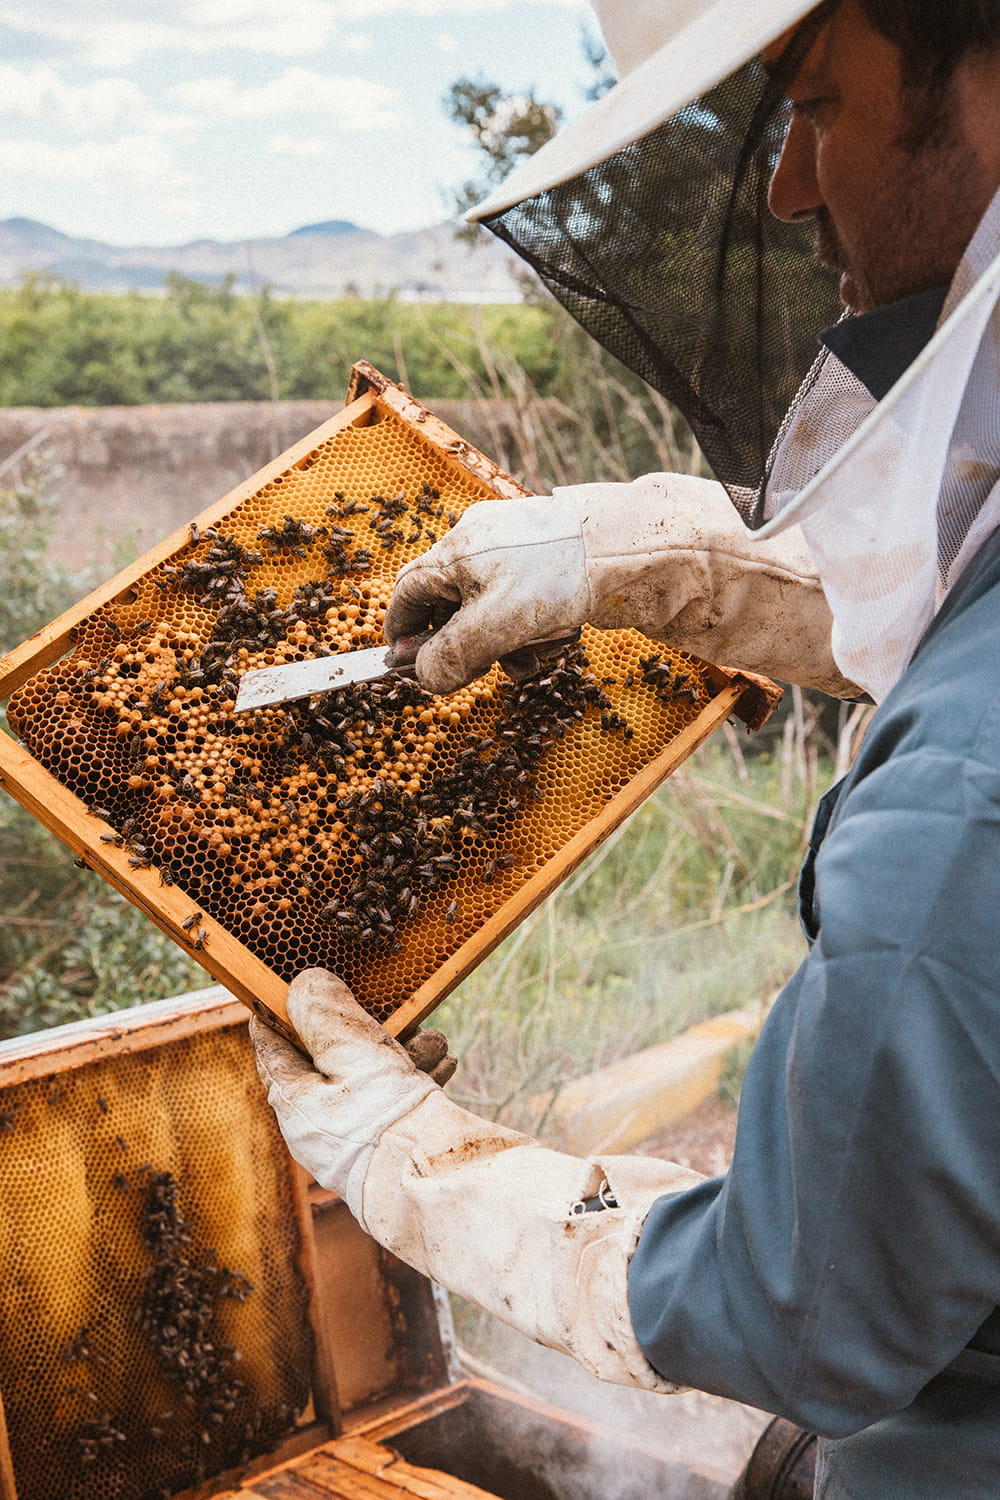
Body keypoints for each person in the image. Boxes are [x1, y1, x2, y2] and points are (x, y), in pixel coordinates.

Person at [251, 2, 1000, 1495]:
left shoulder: (958, 810)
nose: (786, 186)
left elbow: (798, 1303)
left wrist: (419, 1162)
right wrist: (654, 558)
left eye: (816, 104)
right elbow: (952, 580)